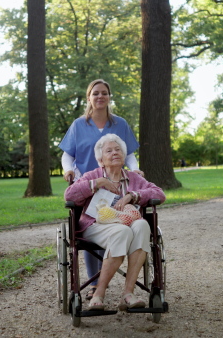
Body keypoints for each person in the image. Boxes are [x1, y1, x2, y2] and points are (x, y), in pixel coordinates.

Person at [59, 79, 143, 301]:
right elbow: (68, 154)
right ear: (89, 97)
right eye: (95, 93)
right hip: (88, 185)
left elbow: (131, 154)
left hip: (115, 184)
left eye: (104, 93)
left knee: (123, 224)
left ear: (109, 97)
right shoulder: (79, 125)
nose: (100, 97)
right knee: (89, 228)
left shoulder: (120, 124)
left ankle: (124, 287)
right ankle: (94, 284)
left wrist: (135, 170)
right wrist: (68, 170)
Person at [64, 134, 166, 311]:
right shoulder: (92, 175)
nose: (114, 153)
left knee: (142, 225)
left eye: (118, 149)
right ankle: (98, 294)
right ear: (101, 160)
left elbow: (159, 193)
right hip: (96, 226)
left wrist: (133, 196)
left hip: (127, 224)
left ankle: (128, 293)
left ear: (124, 155)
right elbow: (69, 195)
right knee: (122, 231)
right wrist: (96, 183)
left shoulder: (134, 179)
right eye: (109, 151)